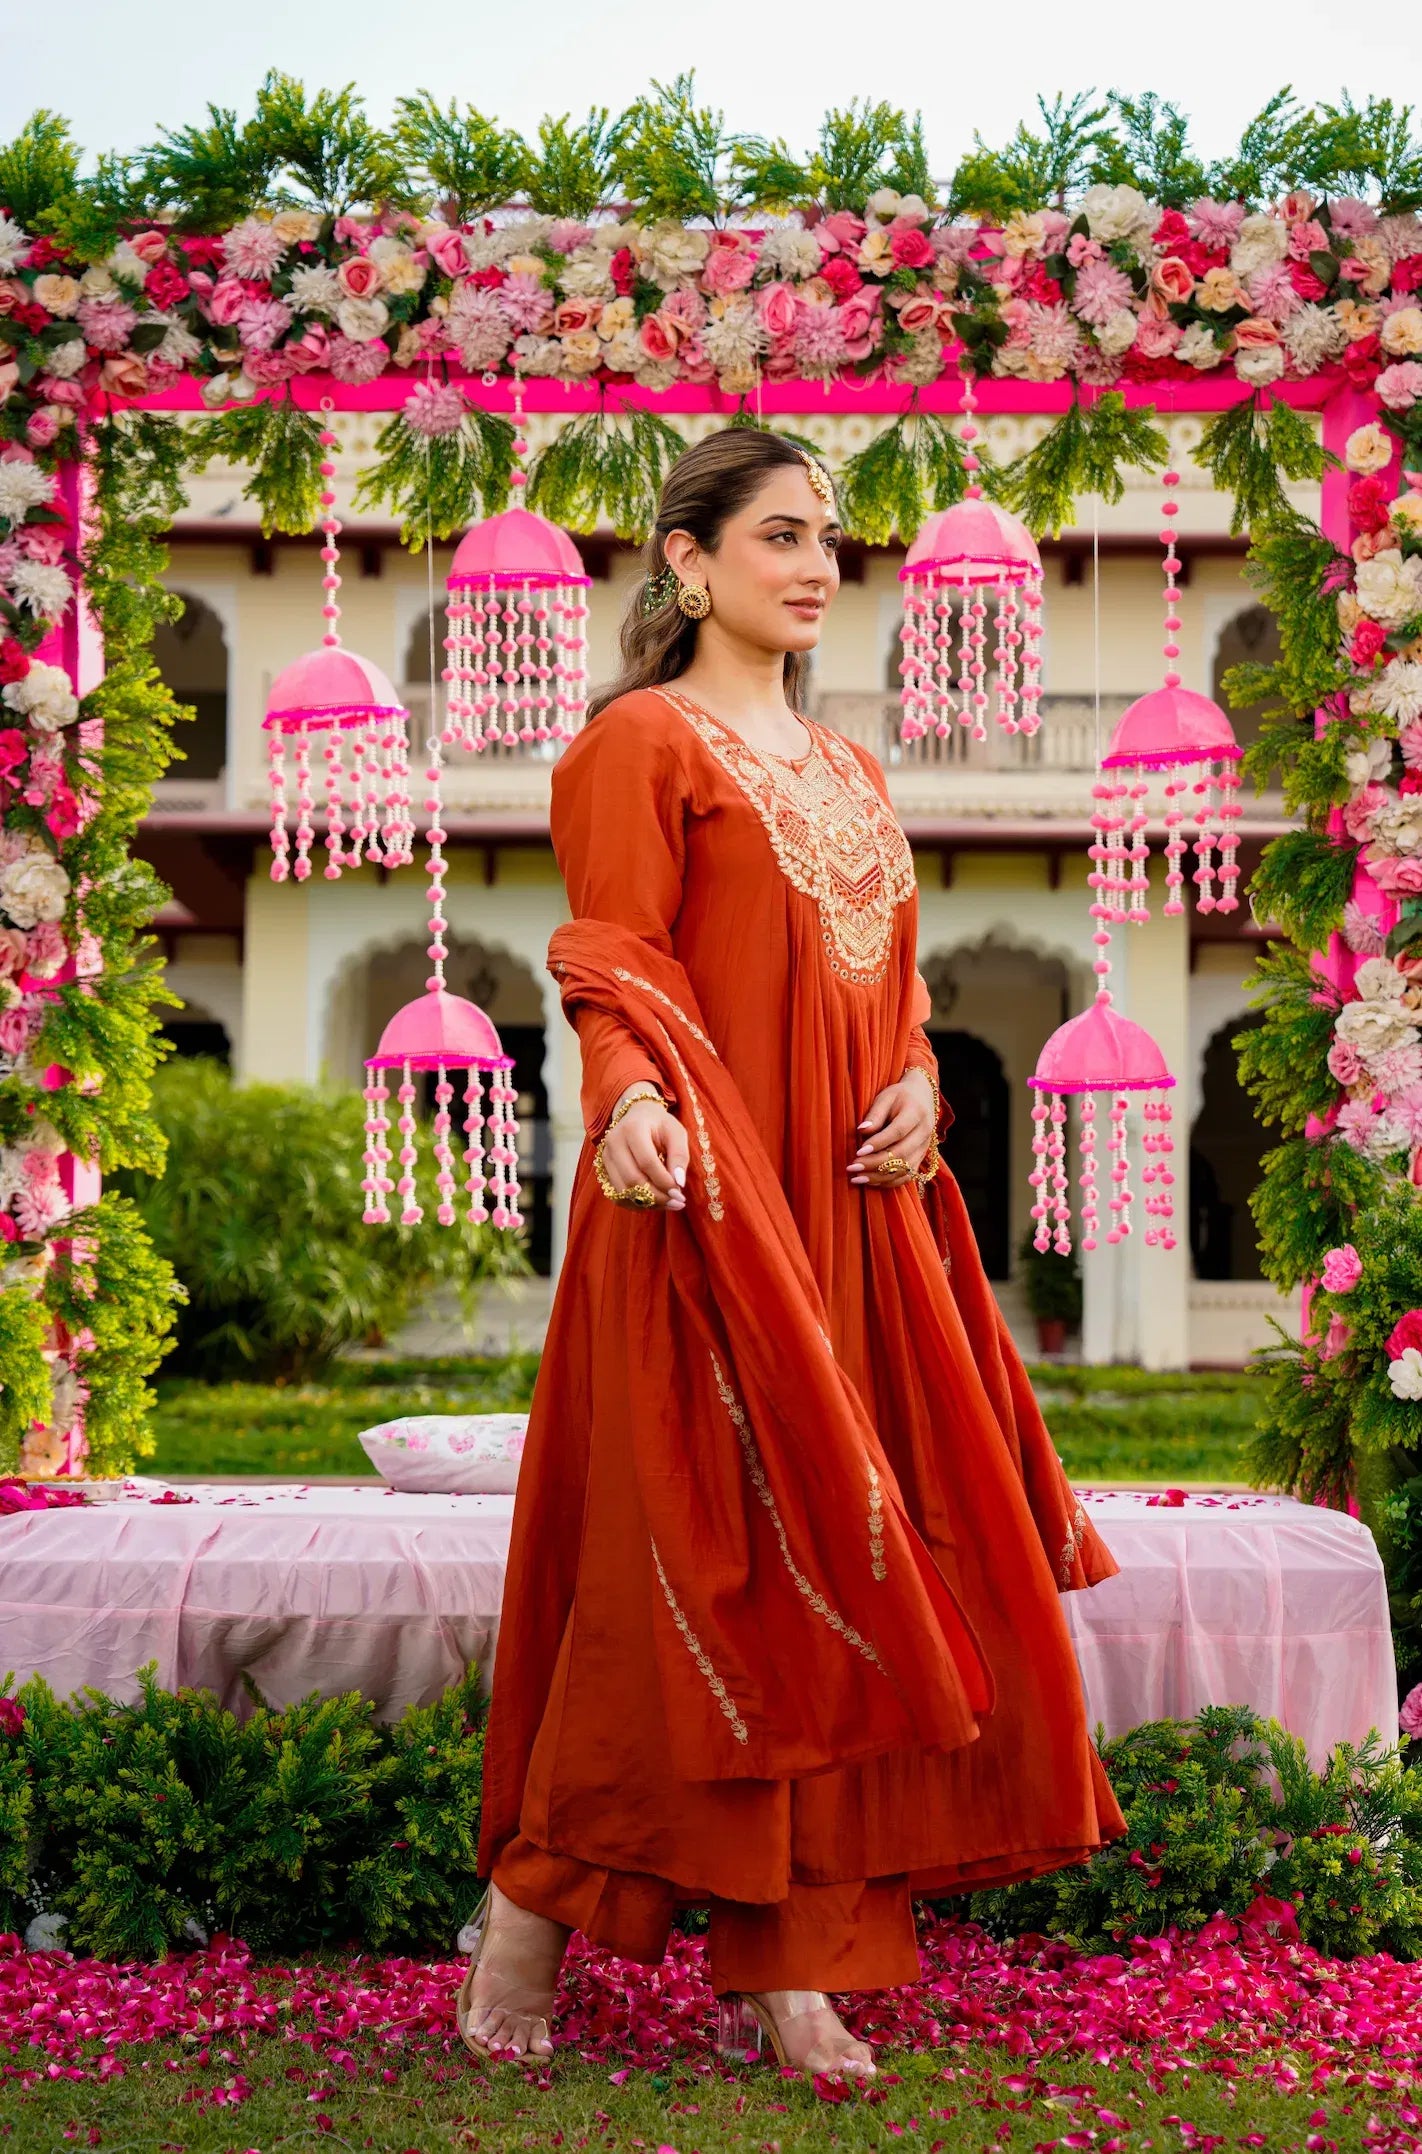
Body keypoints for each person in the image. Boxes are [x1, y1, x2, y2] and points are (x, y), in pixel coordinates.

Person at [462, 429, 1123, 2079]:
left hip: (858, 1214)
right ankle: (528, 1928)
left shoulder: (851, 773)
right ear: (686, 563)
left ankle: (793, 1960)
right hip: (703, 1209)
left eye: (829, 537)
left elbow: (887, 978)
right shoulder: (638, 742)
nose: (818, 564)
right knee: (682, 1574)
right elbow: (609, 953)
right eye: (778, 535)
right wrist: (621, 1106)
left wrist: (911, 1075)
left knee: (849, 1569)